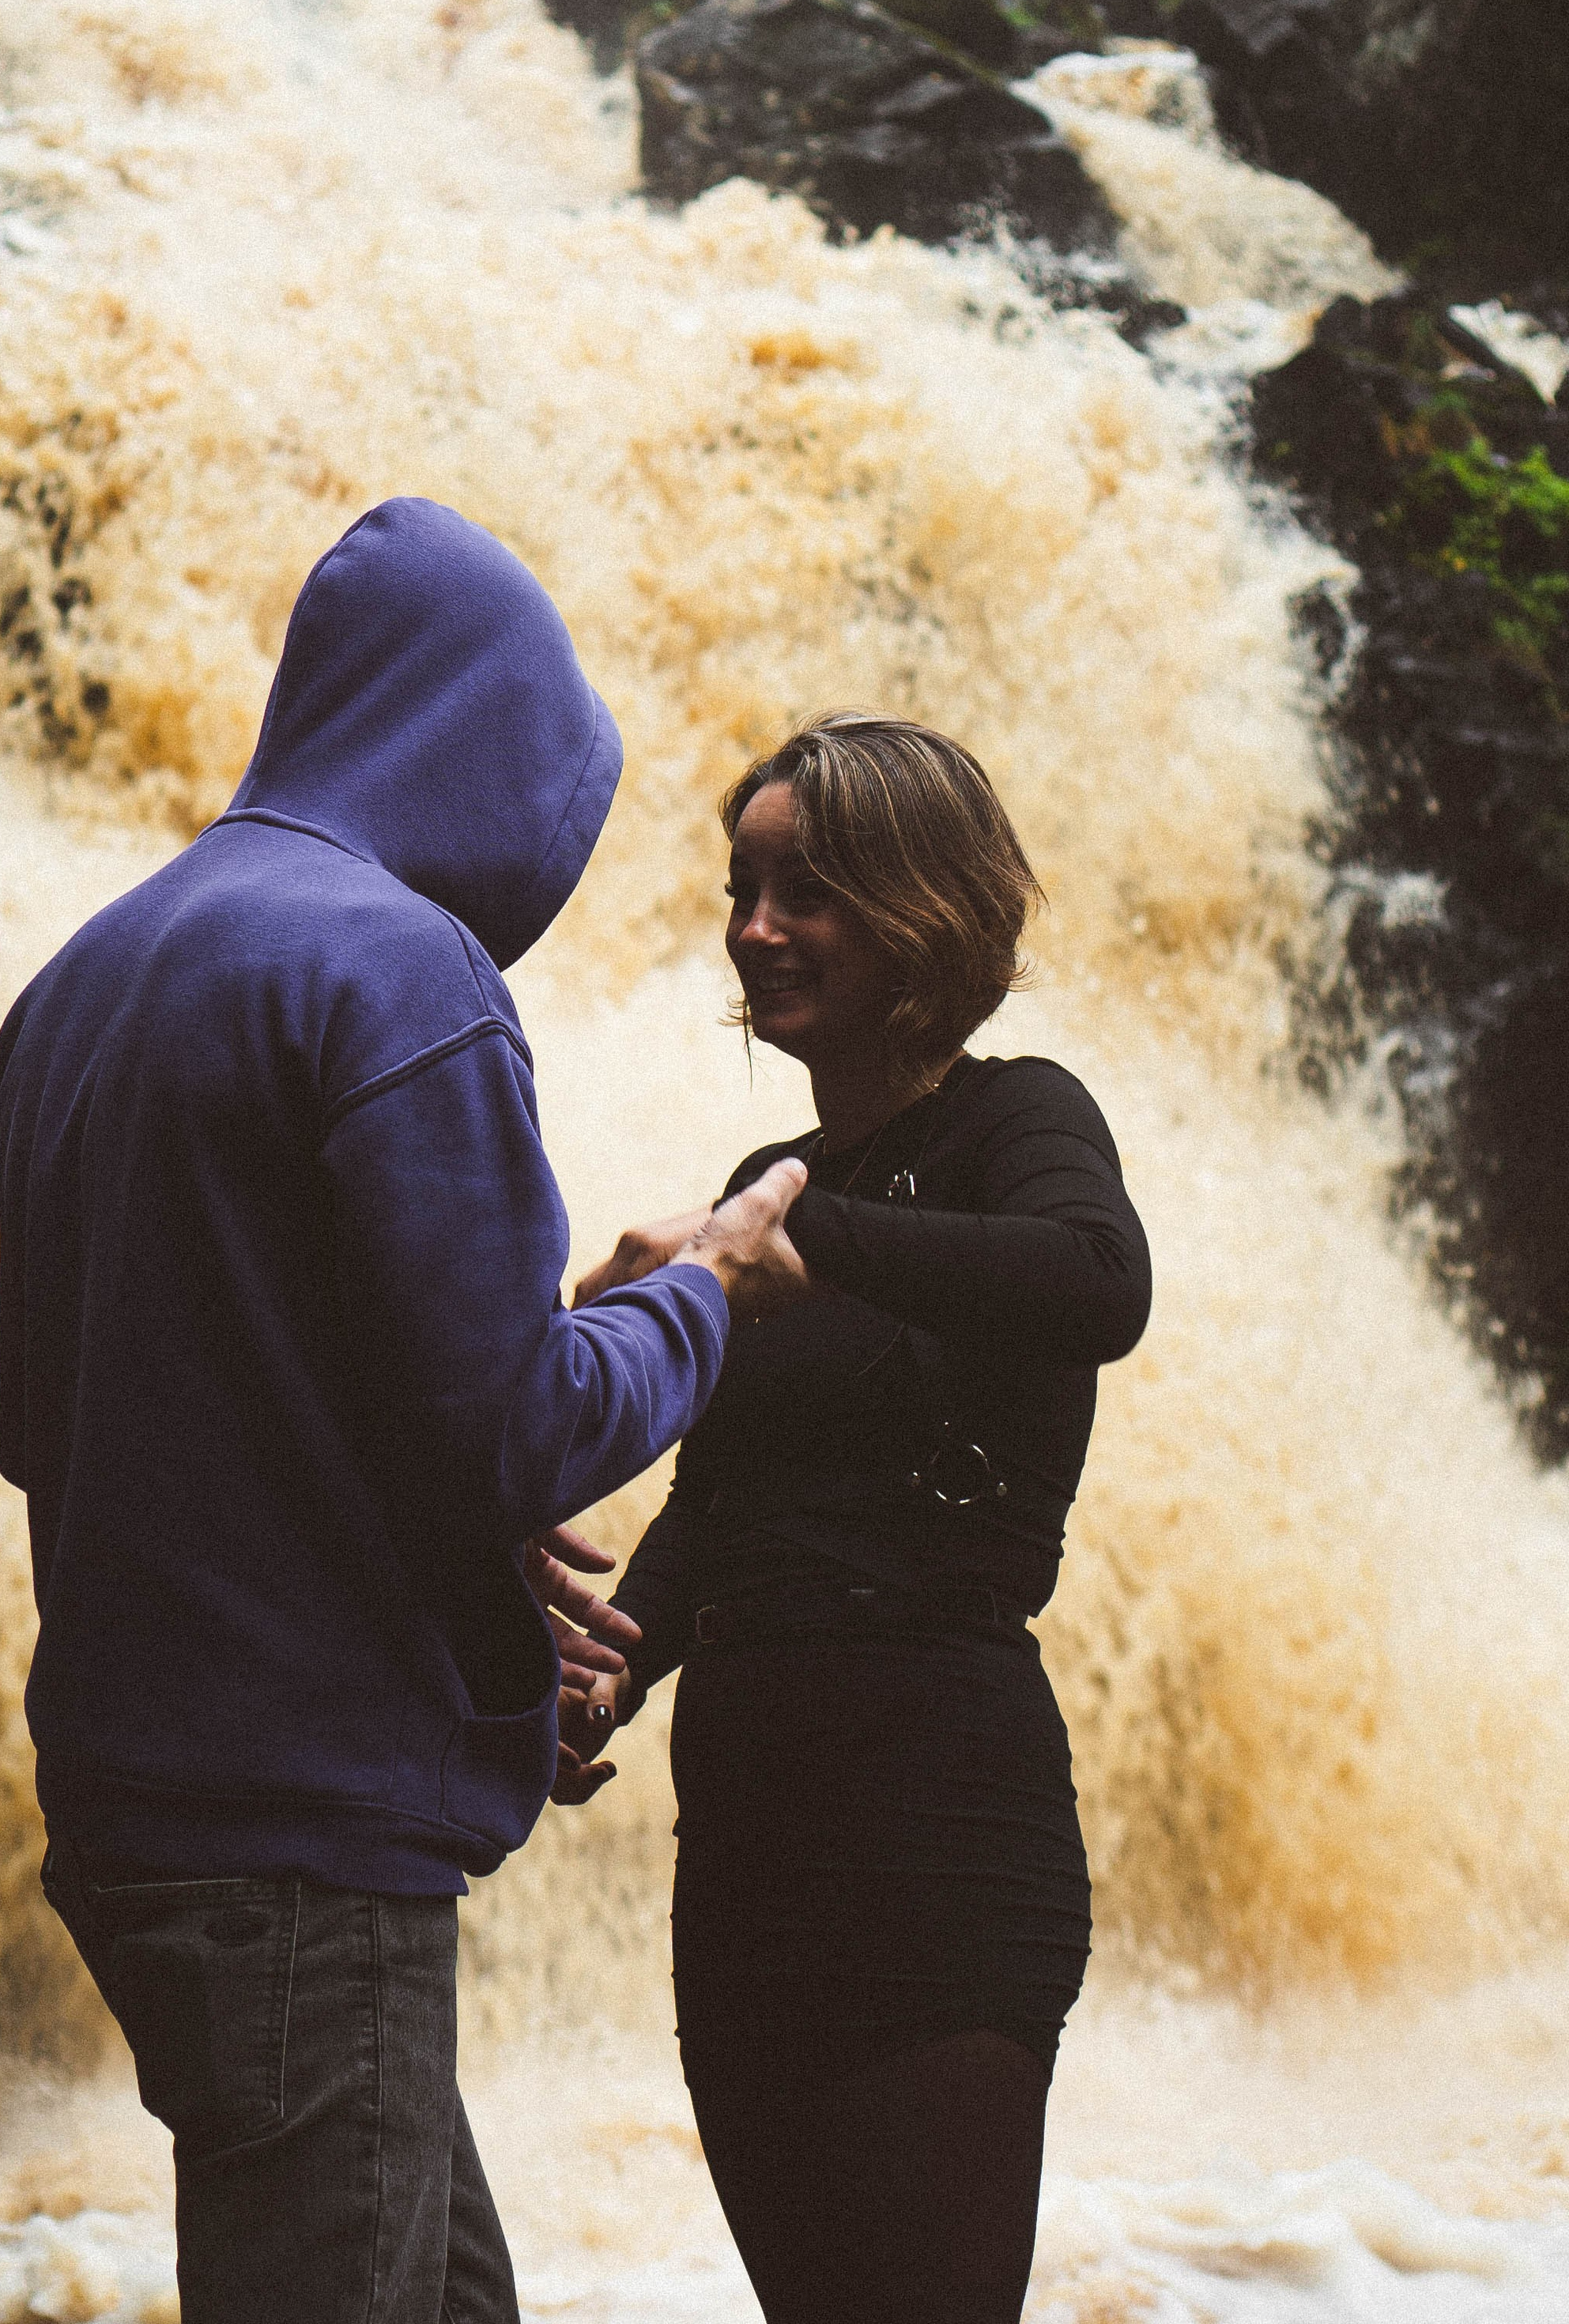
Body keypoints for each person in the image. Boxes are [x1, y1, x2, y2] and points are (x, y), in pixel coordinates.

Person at [0, 498, 807, 2324]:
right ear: (484, 743)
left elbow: (85, 1425)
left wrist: (435, 1548)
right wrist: (705, 1292)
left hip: (140, 1812)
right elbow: (512, 1423)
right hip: (299, 1836)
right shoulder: (395, 970)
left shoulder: (85, 980)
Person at [564, 713, 1152, 2324]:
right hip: (749, 1841)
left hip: (937, 1822)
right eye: (744, 887)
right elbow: (721, 1493)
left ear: (919, 908)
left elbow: (1098, 1283)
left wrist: (794, 1239)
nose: (755, 930)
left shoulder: (1018, 1123)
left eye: (805, 890)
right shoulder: (770, 1170)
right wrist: (606, 1667)